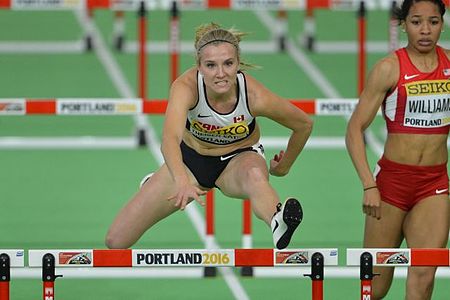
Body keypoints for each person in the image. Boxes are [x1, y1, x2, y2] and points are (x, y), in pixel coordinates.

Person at [105, 23, 313, 250]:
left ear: (238, 63)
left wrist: (285, 167)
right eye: (211, 65)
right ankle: (158, 180)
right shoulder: (186, 87)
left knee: (255, 175)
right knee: (116, 241)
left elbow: (303, 124)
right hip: (190, 162)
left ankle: (278, 220)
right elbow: (169, 139)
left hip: (239, 159)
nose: (221, 74)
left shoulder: (253, 96)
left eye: (228, 64)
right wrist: (181, 181)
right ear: (199, 67)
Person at [346, 0, 449, 299]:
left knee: (424, 278)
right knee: (375, 288)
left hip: (434, 185)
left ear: (442, 23)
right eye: (417, 22)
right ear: (403, 24)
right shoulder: (389, 68)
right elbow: (354, 129)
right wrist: (369, 184)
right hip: (391, 185)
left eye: (433, 21)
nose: (426, 30)